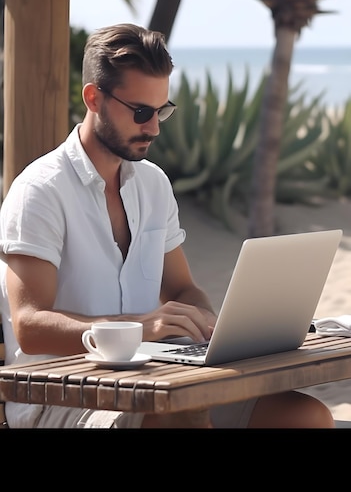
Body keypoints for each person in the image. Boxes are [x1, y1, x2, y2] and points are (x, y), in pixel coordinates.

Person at [0, 23, 334, 429]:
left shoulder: (152, 184)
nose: (155, 127)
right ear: (94, 98)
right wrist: (140, 329)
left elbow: (181, 289)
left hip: (152, 385)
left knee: (304, 416)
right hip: (65, 399)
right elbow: (30, 325)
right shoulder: (40, 190)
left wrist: (208, 326)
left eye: (162, 111)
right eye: (141, 112)